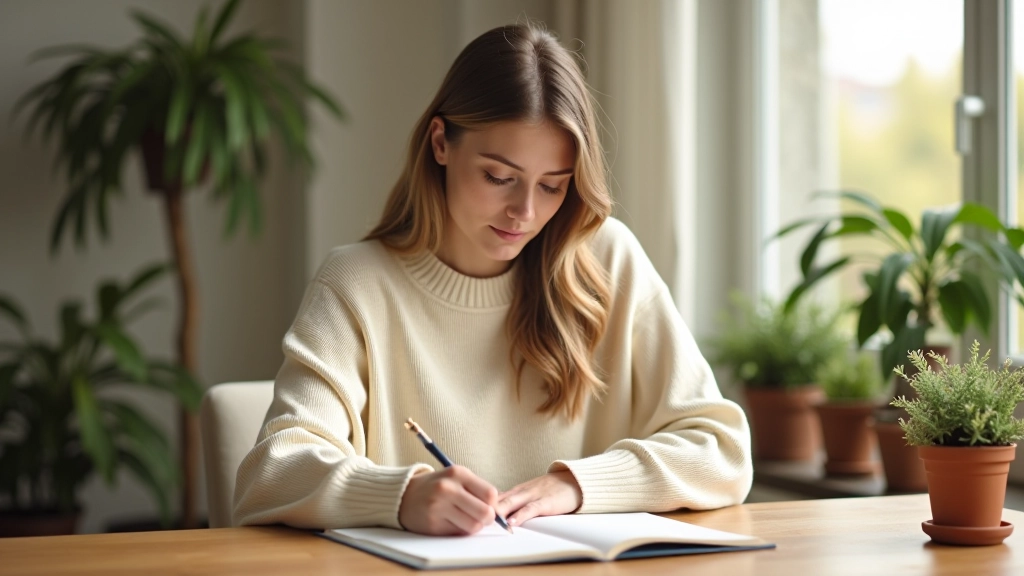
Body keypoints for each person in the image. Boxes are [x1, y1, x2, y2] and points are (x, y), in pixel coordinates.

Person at [233, 22, 752, 536]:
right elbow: (272, 474)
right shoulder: (357, 284)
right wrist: (402, 495)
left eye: (552, 186)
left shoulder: (608, 260)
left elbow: (722, 450)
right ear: (441, 142)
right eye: (499, 177)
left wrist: (577, 486)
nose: (524, 212)